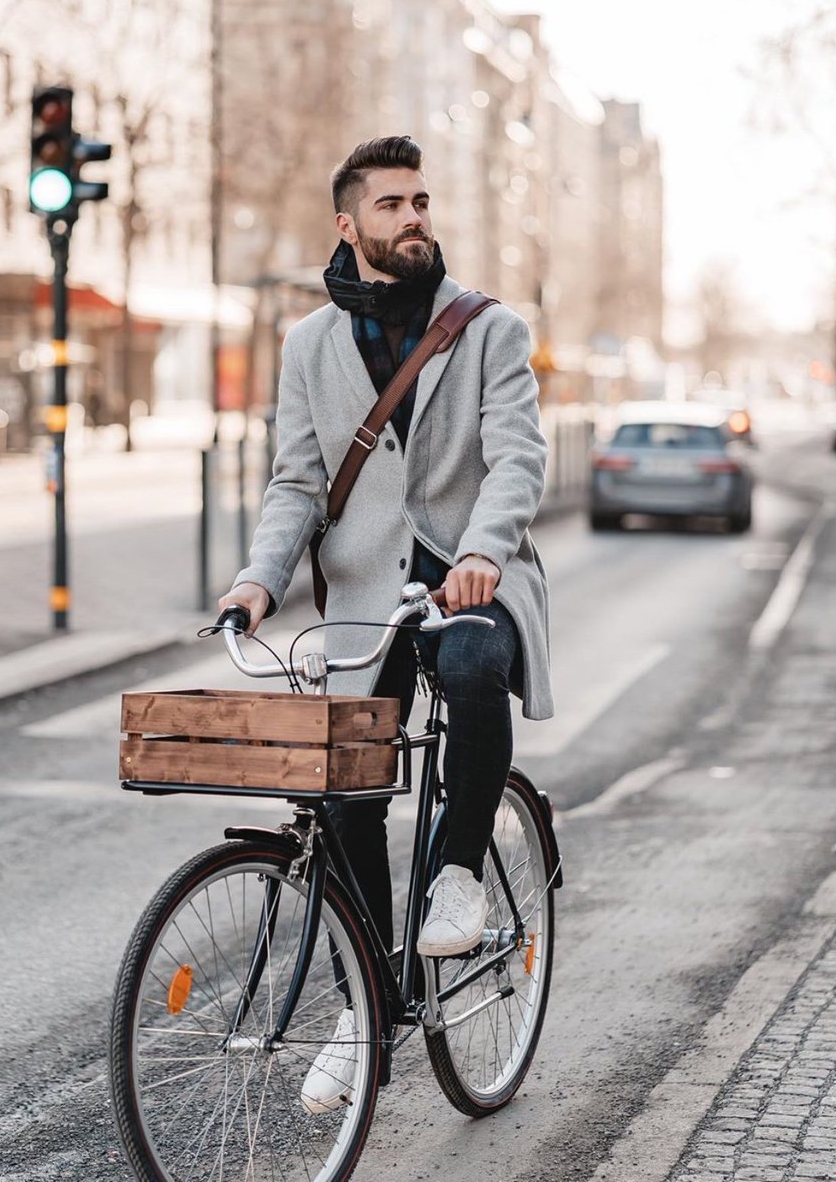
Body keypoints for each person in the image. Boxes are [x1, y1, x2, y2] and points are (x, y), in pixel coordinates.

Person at [217, 134, 552, 1112]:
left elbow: (518, 456)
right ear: (348, 223)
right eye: (393, 204)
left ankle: (455, 874)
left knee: (477, 661)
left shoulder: (490, 328)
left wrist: (484, 551)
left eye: (422, 201)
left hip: (467, 581)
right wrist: (255, 582)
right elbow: (296, 483)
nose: (415, 218)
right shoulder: (309, 344)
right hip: (365, 599)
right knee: (342, 806)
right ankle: (363, 1012)